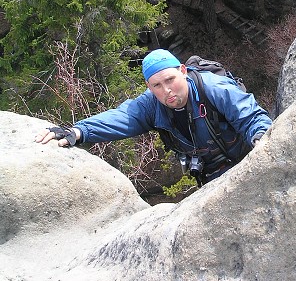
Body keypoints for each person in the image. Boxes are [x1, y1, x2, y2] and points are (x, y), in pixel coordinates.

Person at [35, 49, 272, 186]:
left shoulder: (213, 88)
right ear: (149, 86)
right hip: (212, 178)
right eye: (157, 85)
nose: (166, 90)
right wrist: (78, 131)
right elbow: (121, 118)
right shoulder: (151, 105)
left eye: (170, 80)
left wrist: (262, 138)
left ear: (182, 71)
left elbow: (250, 116)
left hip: (245, 163)